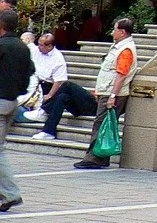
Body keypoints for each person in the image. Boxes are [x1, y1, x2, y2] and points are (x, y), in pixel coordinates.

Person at [73, 17, 137, 169]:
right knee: (103, 124)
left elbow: (121, 75)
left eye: (115, 29)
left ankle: (93, 158)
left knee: (100, 124)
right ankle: (101, 157)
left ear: (122, 32)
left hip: (112, 93)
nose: (112, 32)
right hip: (107, 91)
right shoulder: (119, 47)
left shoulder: (125, 50)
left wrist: (112, 96)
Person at [0, 9, 32, 210]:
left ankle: (11, 193)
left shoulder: (2, 46)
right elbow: (29, 73)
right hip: (12, 100)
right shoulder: (23, 47)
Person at [21, 33, 67, 134]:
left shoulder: (58, 58)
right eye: (39, 44)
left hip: (45, 85)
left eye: (42, 45)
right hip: (31, 81)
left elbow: (58, 80)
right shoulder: (35, 50)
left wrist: (50, 95)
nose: (39, 47)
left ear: (50, 46)